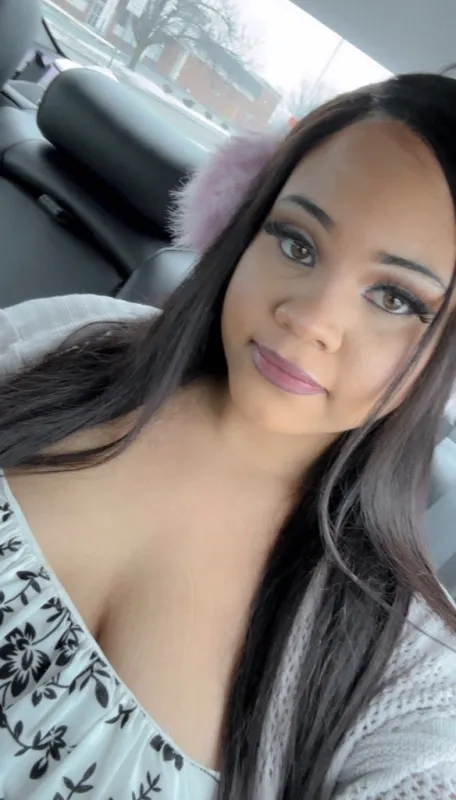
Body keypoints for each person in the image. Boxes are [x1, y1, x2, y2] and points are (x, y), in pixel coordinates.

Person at [0, 73, 456, 800]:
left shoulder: (408, 671)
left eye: (396, 298)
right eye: (297, 243)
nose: (309, 319)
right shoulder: (63, 338)